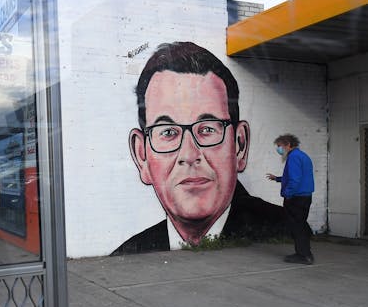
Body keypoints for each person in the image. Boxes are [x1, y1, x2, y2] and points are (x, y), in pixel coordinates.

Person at [113, 42, 286, 255]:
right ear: (142, 156)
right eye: (168, 132)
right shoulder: (131, 252)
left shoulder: (284, 233)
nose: (189, 155)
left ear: (239, 145)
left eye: (207, 129)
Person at [266, 134, 315, 264]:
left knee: (297, 226)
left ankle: (303, 256)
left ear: (288, 144)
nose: (278, 149)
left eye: (279, 146)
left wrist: (287, 194)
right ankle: (305, 253)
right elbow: (296, 176)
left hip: (296, 198)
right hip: (304, 197)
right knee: (301, 225)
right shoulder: (302, 156)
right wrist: (277, 178)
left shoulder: (293, 157)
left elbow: (295, 179)